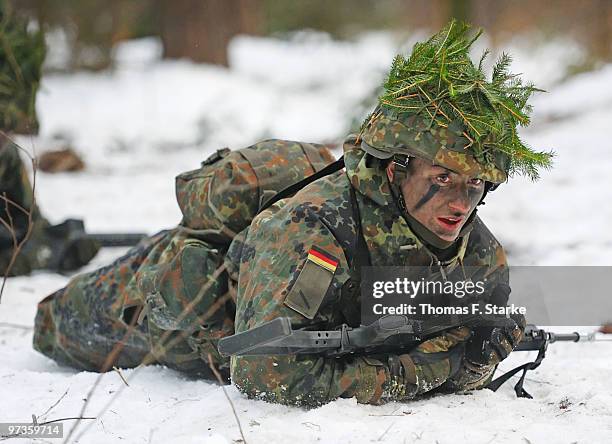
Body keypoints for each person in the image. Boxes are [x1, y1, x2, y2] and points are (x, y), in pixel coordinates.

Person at [33, 22, 553, 406]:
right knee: (50, 325)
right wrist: (425, 369)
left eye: (475, 184)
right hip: (173, 317)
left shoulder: (480, 259)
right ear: (395, 170)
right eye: (441, 179)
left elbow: (451, 363)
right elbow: (268, 374)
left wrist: (475, 361)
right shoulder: (312, 230)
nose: (461, 204)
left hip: (270, 302)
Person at [0, 1, 100, 276]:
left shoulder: (5, 155)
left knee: (40, 236)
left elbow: (29, 219)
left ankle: (49, 248)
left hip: (14, 232)